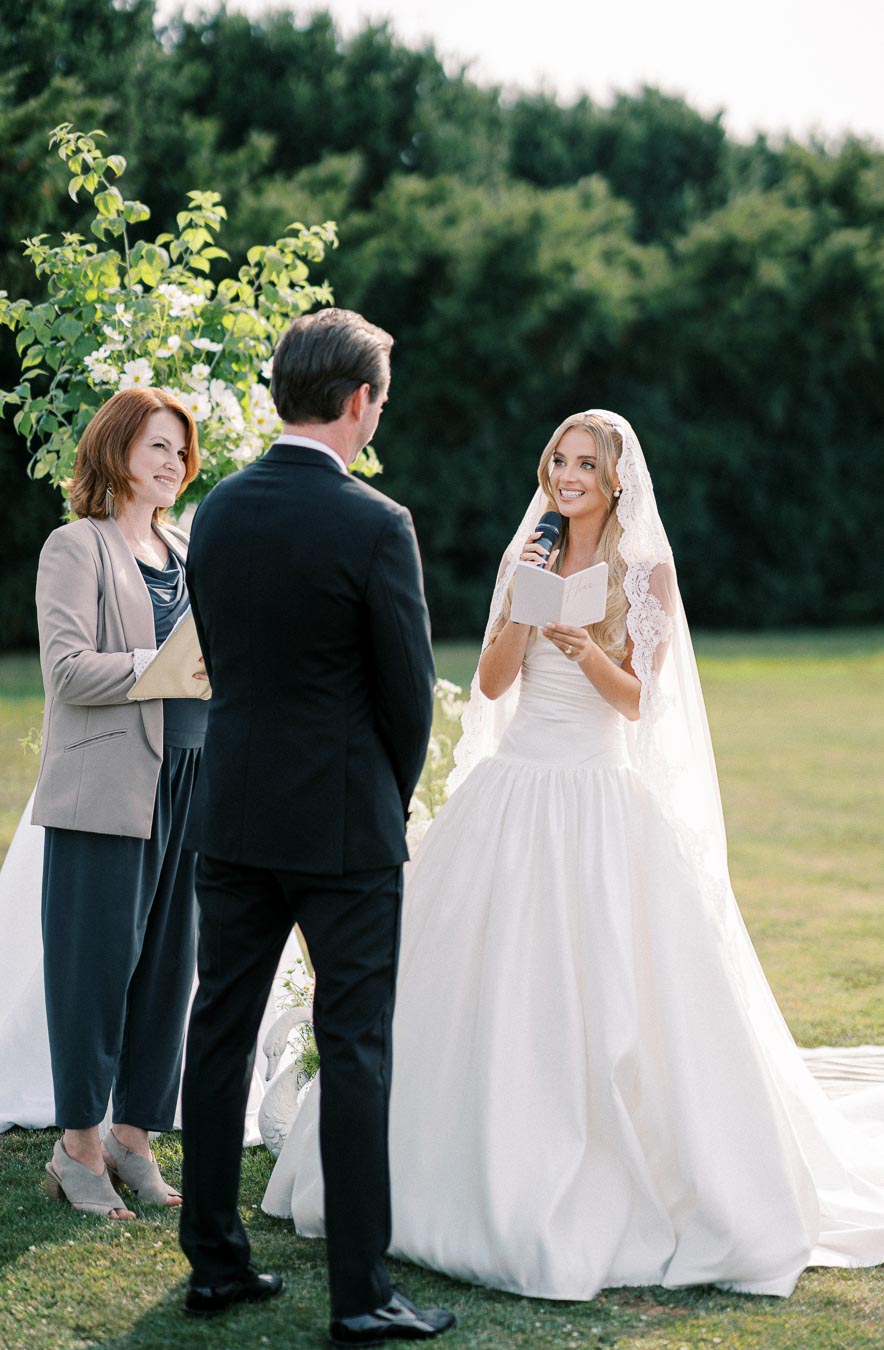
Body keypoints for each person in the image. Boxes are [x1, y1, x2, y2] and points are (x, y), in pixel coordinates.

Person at [266, 409, 884, 1300]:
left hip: (596, 791)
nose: (568, 474)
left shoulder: (645, 572)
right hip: (513, 789)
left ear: (617, 477)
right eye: (560, 458)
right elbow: (489, 682)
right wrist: (525, 607)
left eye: (586, 462)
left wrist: (581, 645)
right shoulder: (531, 550)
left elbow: (638, 702)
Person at [178, 309, 455, 1344]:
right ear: (357, 402)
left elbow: (227, 659)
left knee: (217, 1033)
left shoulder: (216, 513)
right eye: (380, 396)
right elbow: (409, 696)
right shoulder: (377, 524)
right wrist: (384, 792)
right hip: (343, 824)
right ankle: (361, 1295)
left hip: (235, 808)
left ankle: (213, 1266)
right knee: (356, 1048)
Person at [31, 387, 208, 1220]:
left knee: (170, 972)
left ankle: (136, 1135)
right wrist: (159, 666)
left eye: (180, 449)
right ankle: (78, 1149)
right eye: (156, 446)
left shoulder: (185, 548)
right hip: (105, 789)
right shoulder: (77, 546)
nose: (172, 461)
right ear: (116, 449)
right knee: (94, 972)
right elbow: (66, 669)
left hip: (190, 780)